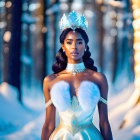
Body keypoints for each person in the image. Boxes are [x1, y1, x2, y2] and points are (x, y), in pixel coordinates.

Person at [41, 11, 113, 140]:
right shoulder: (50, 80)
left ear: (85, 46)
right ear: (63, 46)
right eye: (69, 42)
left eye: (79, 42)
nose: (74, 47)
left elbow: (104, 122)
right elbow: (48, 124)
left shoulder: (98, 78)